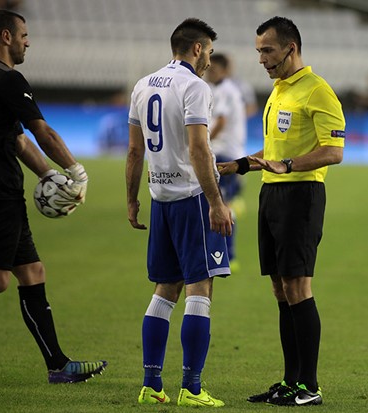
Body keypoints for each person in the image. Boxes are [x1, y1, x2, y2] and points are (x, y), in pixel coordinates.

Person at [0, 10, 107, 383]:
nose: (27, 42)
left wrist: (49, 174)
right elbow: (42, 131)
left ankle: (58, 366)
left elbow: (17, 140)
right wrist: (76, 171)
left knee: (32, 272)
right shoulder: (8, 79)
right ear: (6, 36)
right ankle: (58, 365)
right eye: (24, 35)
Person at [217, 16, 345, 406]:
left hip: (301, 196)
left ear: (291, 48)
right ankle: (290, 381)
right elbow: (273, 153)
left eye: (267, 50)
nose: (261, 59)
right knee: (279, 288)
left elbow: (334, 151)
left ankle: (310, 385)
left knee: (298, 287)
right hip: (271, 196)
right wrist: (238, 164)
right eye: (258, 51)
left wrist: (288, 167)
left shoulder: (318, 91)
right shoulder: (278, 91)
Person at [126, 18, 232, 408]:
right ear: (198, 49)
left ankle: (151, 384)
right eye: (209, 52)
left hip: (160, 199)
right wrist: (217, 202)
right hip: (191, 199)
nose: (209, 61)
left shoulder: (142, 85)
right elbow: (199, 149)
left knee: (164, 290)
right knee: (200, 288)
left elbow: (135, 151)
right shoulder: (194, 87)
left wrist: (131, 199)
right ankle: (191, 386)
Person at [205, 52, 247, 271]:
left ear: (221, 69)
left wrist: (201, 144)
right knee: (222, 204)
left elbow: (220, 122)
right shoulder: (229, 89)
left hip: (224, 153)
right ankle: (225, 254)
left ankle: (227, 255)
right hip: (231, 151)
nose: (209, 73)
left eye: (212, 69)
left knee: (221, 206)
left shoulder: (224, 90)